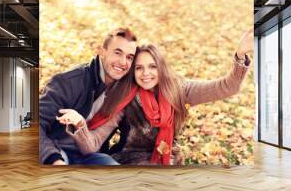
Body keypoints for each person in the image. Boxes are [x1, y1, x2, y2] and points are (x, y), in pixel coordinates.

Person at [58, 29, 253, 165]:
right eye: (139, 68)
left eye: (152, 67)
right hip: (131, 161)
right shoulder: (126, 97)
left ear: (161, 68)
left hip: (167, 158)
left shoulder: (179, 89)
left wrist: (240, 54)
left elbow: (227, 87)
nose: (146, 74)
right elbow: (92, 144)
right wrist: (81, 125)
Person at [39, 28, 137, 165]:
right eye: (117, 53)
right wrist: (53, 159)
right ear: (102, 51)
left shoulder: (124, 93)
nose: (123, 62)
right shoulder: (68, 82)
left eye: (129, 57)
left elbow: (129, 139)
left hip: (90, 155)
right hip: (57, 150)